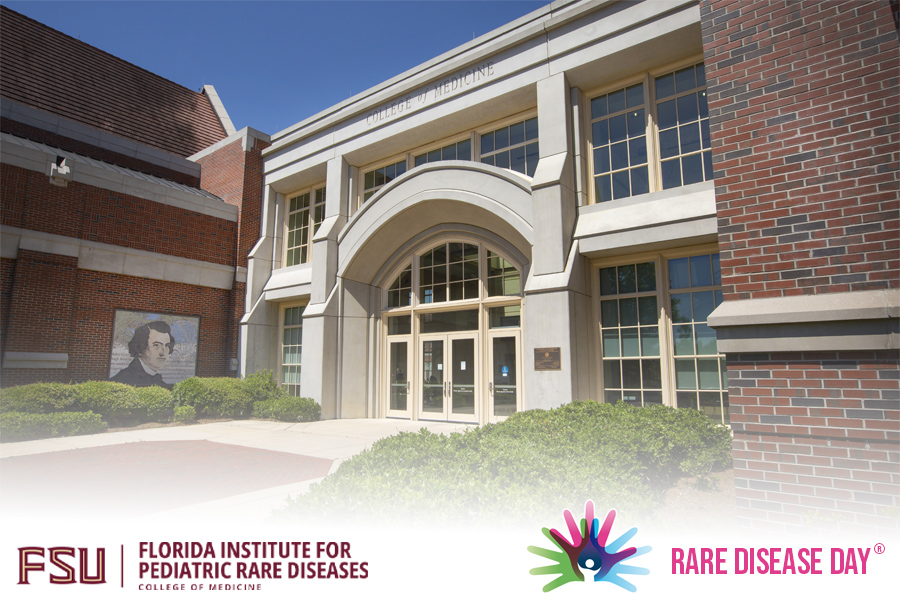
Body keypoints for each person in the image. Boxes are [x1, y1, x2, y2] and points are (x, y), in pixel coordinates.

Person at [110, 321, 175, 389]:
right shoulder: (121, 380)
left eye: (167, 345)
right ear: (140, 348)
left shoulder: (158, 380)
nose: (163, 352)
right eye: (156, 345)